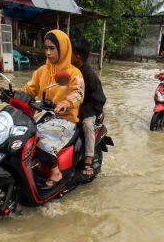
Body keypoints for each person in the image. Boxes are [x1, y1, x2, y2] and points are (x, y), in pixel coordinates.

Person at [21, 29, 84, 189]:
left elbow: (79, 92)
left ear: (62, 49)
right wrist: (11, 93)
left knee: (40, 141)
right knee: (23, 137)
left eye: (52, 48)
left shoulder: (74, 73)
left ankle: (56, 172)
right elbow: (29, 89)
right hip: (44, 116)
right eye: (46, 48)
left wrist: (66, 102)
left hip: (65, 120)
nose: (48, 53)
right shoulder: (42, 71)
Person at [71, 39, 106, 179]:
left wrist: (80, 112)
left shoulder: (89, 75)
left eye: (70, 53)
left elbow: (99, 100)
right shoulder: (69, 70)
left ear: (77, 57)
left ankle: (88, 160)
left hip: (90, 108)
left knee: (87, 124)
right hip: (72, 106)